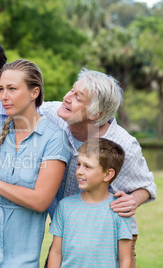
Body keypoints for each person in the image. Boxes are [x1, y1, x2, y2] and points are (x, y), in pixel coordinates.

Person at [39, 68, 157, 267]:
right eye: (72, 90)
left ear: (96, 114)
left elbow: (147, 186)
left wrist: (132, 200)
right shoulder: (53, 114)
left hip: (109, 235)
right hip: (68, 228)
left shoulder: (123, 145)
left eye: (78, 97)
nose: (67, 97)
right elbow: (18, 100)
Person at [0, 59, 71, 267]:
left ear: (34, 92)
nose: (4, 96)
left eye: (12, 89)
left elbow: (40, 201)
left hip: (22, 250)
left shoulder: (54, 138)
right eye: (2, 88)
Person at [48, 138, 132, 268]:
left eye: (87, 166)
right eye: (79, 164)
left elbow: (125, 259)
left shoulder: (119, 209)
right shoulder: (64, 206)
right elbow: (56, 252)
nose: (79, 171)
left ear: (108, 174)